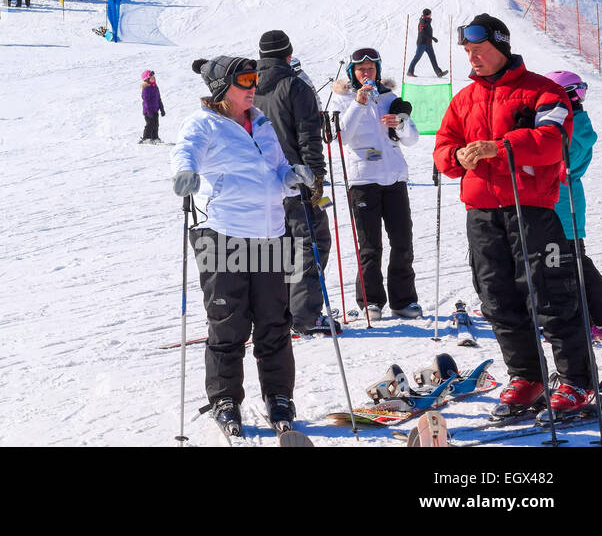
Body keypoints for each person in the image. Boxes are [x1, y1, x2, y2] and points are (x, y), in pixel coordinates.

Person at [434, 13, 592, 417]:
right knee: (498, 298)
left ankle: (577, 381)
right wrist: (457, 155)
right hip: (482, 213)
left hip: (531, 209)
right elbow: (442, 148)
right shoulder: (463, 99)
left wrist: (499, 147)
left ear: (501, 47)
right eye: (468, 52)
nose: (473, 58)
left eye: (480, 50)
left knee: (550, 295)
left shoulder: (544, 91)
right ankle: (527, 376)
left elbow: (552, 141)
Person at [172, 55, 309, 433]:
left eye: (255, 79)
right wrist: (184, 171)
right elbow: (185, 151)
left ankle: (279, 396)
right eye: (245, 80)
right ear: (222, 89)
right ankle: (225, 398)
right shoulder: (204, 124)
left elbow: (277, 168)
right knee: (227, 323)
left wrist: (291, 176)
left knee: (274, 322)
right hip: (223, 233)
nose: (253, 87)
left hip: (271, 232)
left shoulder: (262, 124)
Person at [331, 46, 422, 320]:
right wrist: (358, 104)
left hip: (394, 177)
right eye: (361, 69)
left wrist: (401, 124)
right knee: (370, 245)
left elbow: (412, 139)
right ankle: (370, 301)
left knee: (402, 241)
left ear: (377, 71)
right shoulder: (342, 99)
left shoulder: (390, 97)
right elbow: (340, 137)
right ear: (353, 72)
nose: (366, 73)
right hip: (363, 180)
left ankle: (403, 300)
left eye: (371, 69)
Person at [253, 30, 334, 334]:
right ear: (288, 55)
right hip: (296, 181)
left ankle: (279, 312)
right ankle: (304, 315)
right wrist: (316, 178)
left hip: (264, 184)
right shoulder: (294, 86)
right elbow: (308, 136)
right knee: (312, 241)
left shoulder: (250, 87)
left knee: (280, 245)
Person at [546, 71, 602, 338]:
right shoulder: (575, 123)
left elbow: (559, 166)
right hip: (563, 201)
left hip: (561, 203)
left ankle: (594, 314)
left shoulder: (572, 128)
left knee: (571, 261)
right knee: (569, 259)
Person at [407, 8, 447, 77]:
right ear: (427, 15)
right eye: (430, 14)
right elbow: (422, 32)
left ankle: (438, 72)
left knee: (433, 58)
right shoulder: (423, 21)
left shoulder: (427, 21)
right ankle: (410, 71)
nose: (431, 15)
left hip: (428, 43)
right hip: (422, 43)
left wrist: (431, 39)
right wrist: (432, 38)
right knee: (417, 57)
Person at [140, 70, 165, 144]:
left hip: (155, 110)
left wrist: (162, 109)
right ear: (147, 79)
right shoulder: (146, 88)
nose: (154, 78)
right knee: (150, 124)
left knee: (156, 124)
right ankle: (146, 138)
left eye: (154, 77)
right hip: (148, 111)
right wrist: (149, 111)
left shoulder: (155, 87)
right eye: (151, 77)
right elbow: (146, 101)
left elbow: (159, 99)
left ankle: (155, 138)